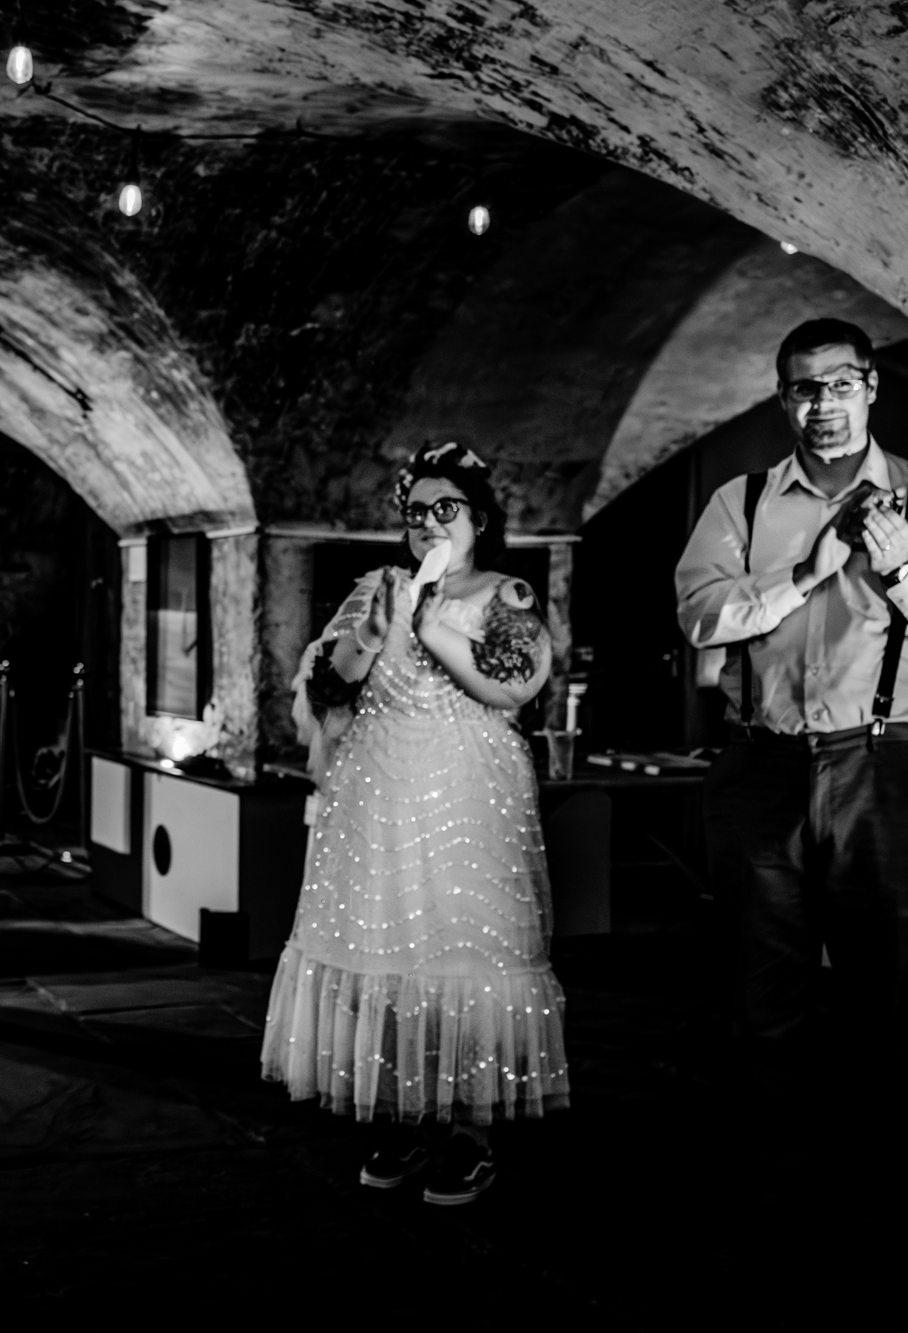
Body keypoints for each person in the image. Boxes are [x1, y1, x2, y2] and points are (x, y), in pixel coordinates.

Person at [674, 318, 908, 1217]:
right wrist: (804, 573)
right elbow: (700, 614)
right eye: (803, 387)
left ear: (871, 386)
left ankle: (885, 1200)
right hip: (763, 769)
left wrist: (904, 571)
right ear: (783, 398)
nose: (822, 403)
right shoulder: (743, 503)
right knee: (762, 1002)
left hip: (889, 769)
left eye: (839, 383)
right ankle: (778, 1194)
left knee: (890, 1002)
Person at [262, 442, 569, 1206]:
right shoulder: (382, 586)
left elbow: (515, 683)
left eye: (445, 507)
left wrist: (432, 627)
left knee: (463, 949)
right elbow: (327, 688)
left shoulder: (505, 592)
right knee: (388, 952)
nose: (428, 522)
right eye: (416, 512)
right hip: (380, 795)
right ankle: (405, 1110)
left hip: (466, 794)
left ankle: (470, 1130)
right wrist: (370, 635)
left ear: (479, 518)